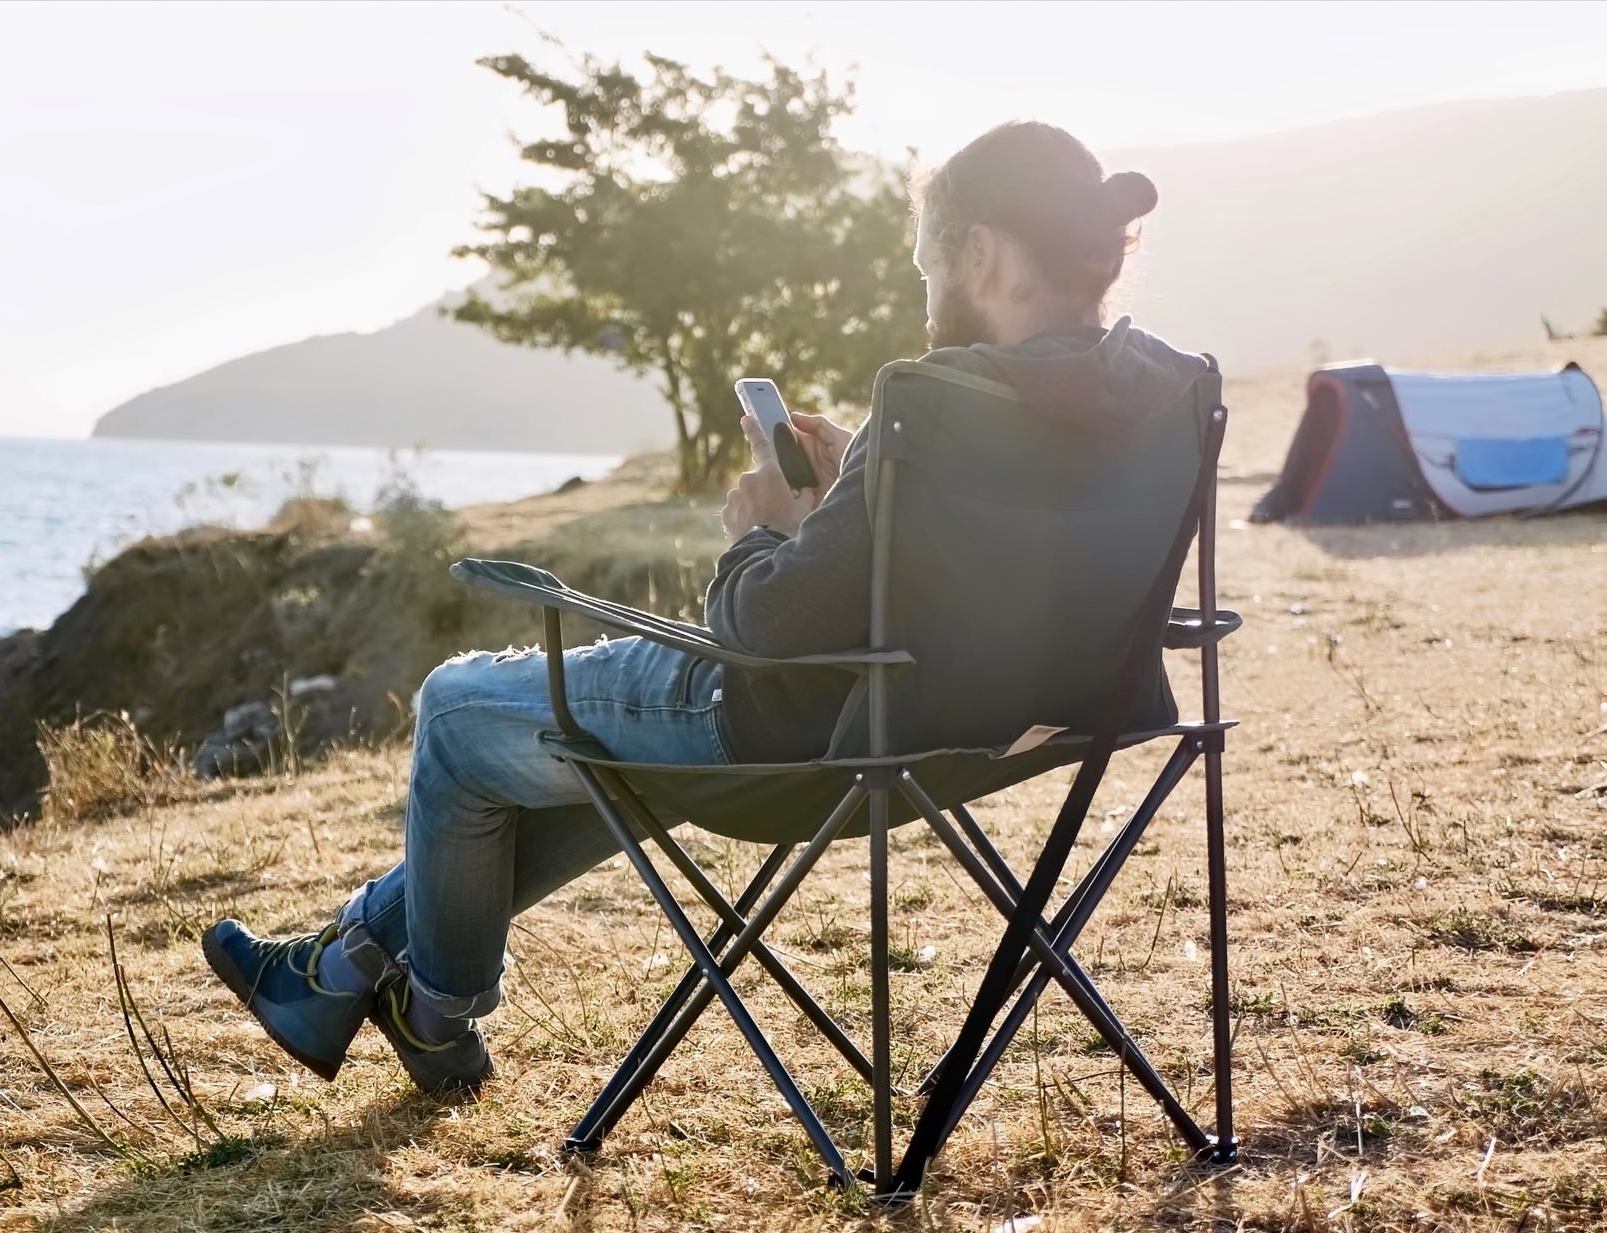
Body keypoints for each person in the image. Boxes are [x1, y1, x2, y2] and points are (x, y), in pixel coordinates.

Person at [200, 121, 1211, 1093]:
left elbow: (760, 628)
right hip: (985, 732)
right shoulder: (1161, 395)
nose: (927, 297)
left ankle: (431, 1010)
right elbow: (983, 572)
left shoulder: (937, 396)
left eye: (926, 268)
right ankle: (345, 964)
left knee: (458, 712)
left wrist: (763, 525)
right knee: (565, 763)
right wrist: (852, 491)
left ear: (982, 254)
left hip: (793, 730)